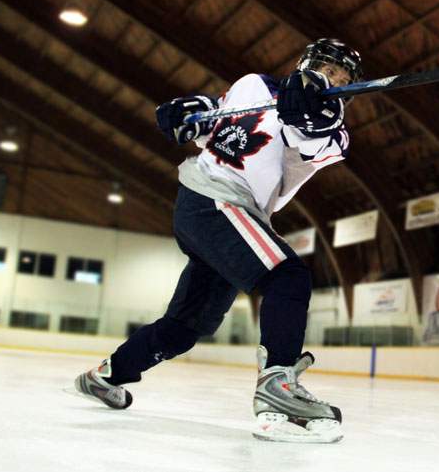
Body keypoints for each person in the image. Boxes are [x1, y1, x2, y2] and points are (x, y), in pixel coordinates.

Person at [73, 38, 361, 444]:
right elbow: (216, 125)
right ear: (306, 63)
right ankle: (278, 388)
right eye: (328, 70)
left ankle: (104, 376)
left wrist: (313, 108)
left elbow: (309, 137)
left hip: (226, 211)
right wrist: (190, 116)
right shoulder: (253, 86)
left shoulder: (332, 127)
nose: (332, 80)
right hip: (213, 196)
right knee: (287, 276)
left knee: (185, 327)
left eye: (342, 79)